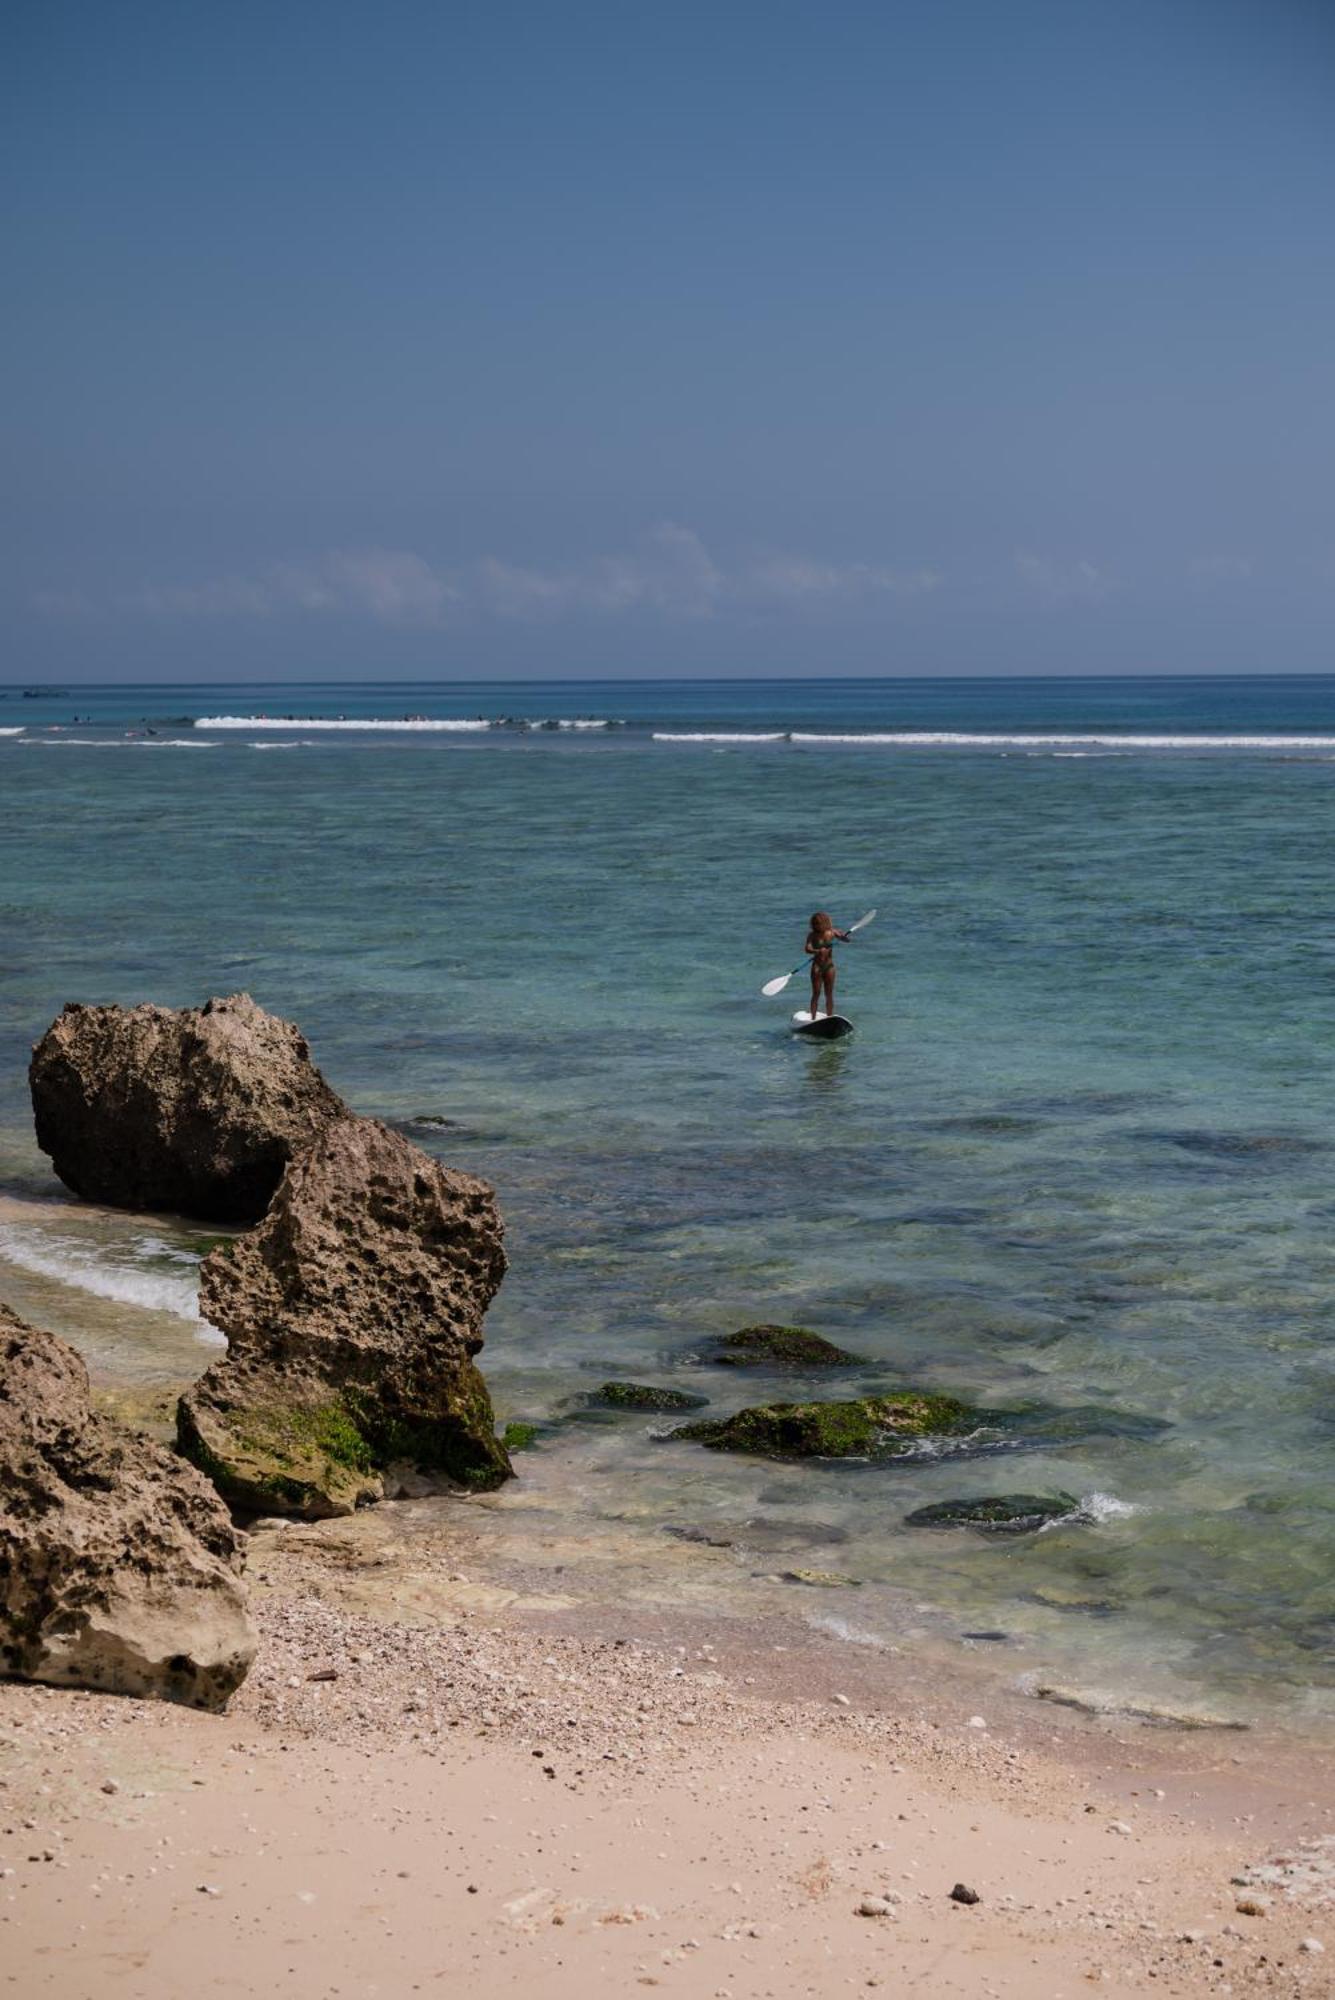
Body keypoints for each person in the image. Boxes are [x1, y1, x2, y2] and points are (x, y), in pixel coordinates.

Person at [804, 910, 851, 1019]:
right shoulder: (812, 935)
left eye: (818, 923)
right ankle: (813, 1019)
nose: (816, 926)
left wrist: (843, 936)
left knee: (829, 994)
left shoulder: (832, 932)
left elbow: (847, 940)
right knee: (816, 994)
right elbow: (807, 948)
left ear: (824, 923)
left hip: (829, 966)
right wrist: (817, 951)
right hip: (817, 967)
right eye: (814, 923)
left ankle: (830, 1018)